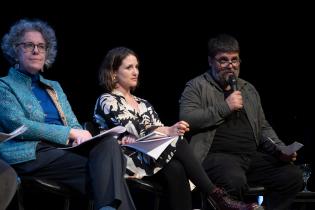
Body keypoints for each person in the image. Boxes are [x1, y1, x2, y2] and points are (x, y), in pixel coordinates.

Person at [93, 46, 264, 210]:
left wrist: (167, 131)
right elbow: (136, 128)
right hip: (124, 160)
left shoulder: (143, 103)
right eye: (129, 67)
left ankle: (215, 198)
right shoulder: (108, 100)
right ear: (114, 73)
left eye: (136, 67)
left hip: (149, 157)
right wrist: (168, 131)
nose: (135, 72)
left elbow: (155, 130)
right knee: (178, 141)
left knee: (177, 168)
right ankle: (217, 196)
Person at [0, 19, 135, 210]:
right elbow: (19, 125)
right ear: (15, 50)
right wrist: (70, 134)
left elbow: (73, 123)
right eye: (29, 45)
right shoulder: (4, 85)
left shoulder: (54, 86)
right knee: (109, 174)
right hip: (30, 154)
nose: (36, 51)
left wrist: (81, 137)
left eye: (41, 46)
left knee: (108, 145)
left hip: (62, 151)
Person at [179, 34, 303, 210]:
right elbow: (187, 119)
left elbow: (262, 127)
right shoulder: (197, 86)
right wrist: (226, 107)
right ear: (210, 61)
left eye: (234, 60)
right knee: (233, 179)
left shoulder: (248, 89)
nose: (230, 66)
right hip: (214, 157)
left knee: (292, 176)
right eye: (223, 60)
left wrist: (280, 149)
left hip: (249, 158)